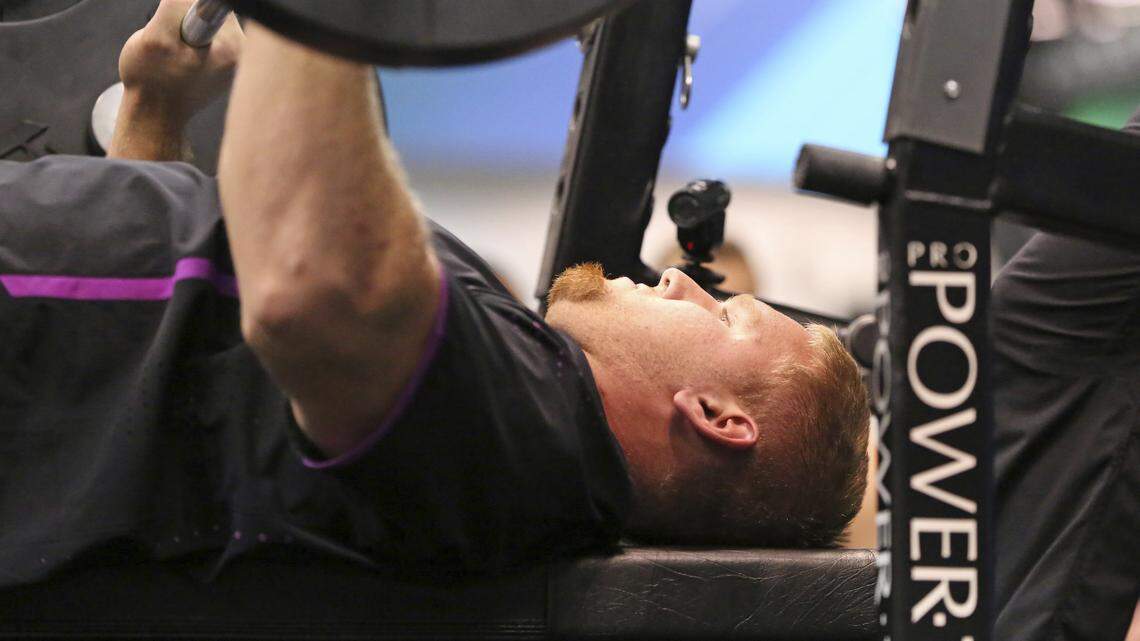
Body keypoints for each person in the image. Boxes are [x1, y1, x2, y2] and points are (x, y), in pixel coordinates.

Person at [0, 0, 868, 588]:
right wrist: (157, 117)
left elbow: (307, 289)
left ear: (718, 415)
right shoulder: (520, 391)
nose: (682, 278)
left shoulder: (523, 441)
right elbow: (188, 379)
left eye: (723, 314)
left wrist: (314, 21)